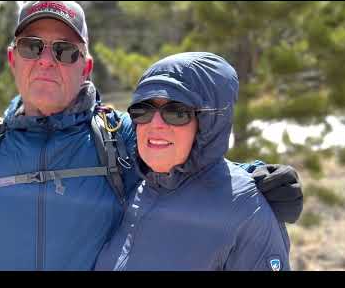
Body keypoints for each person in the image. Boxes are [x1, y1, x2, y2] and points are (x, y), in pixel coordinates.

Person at [0, 1, 301, 271]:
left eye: (64, 51)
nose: (46, 60)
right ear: (13, 59)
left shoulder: (117, 137)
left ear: (86, 67)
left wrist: (256, 178)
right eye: (32, 47)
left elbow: (186, 159)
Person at [94, 52, 291, 271]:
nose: (155, 123)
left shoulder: (246, 210)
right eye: (143, 110)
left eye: (177, 112)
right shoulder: (137, 191)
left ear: (210, 123)